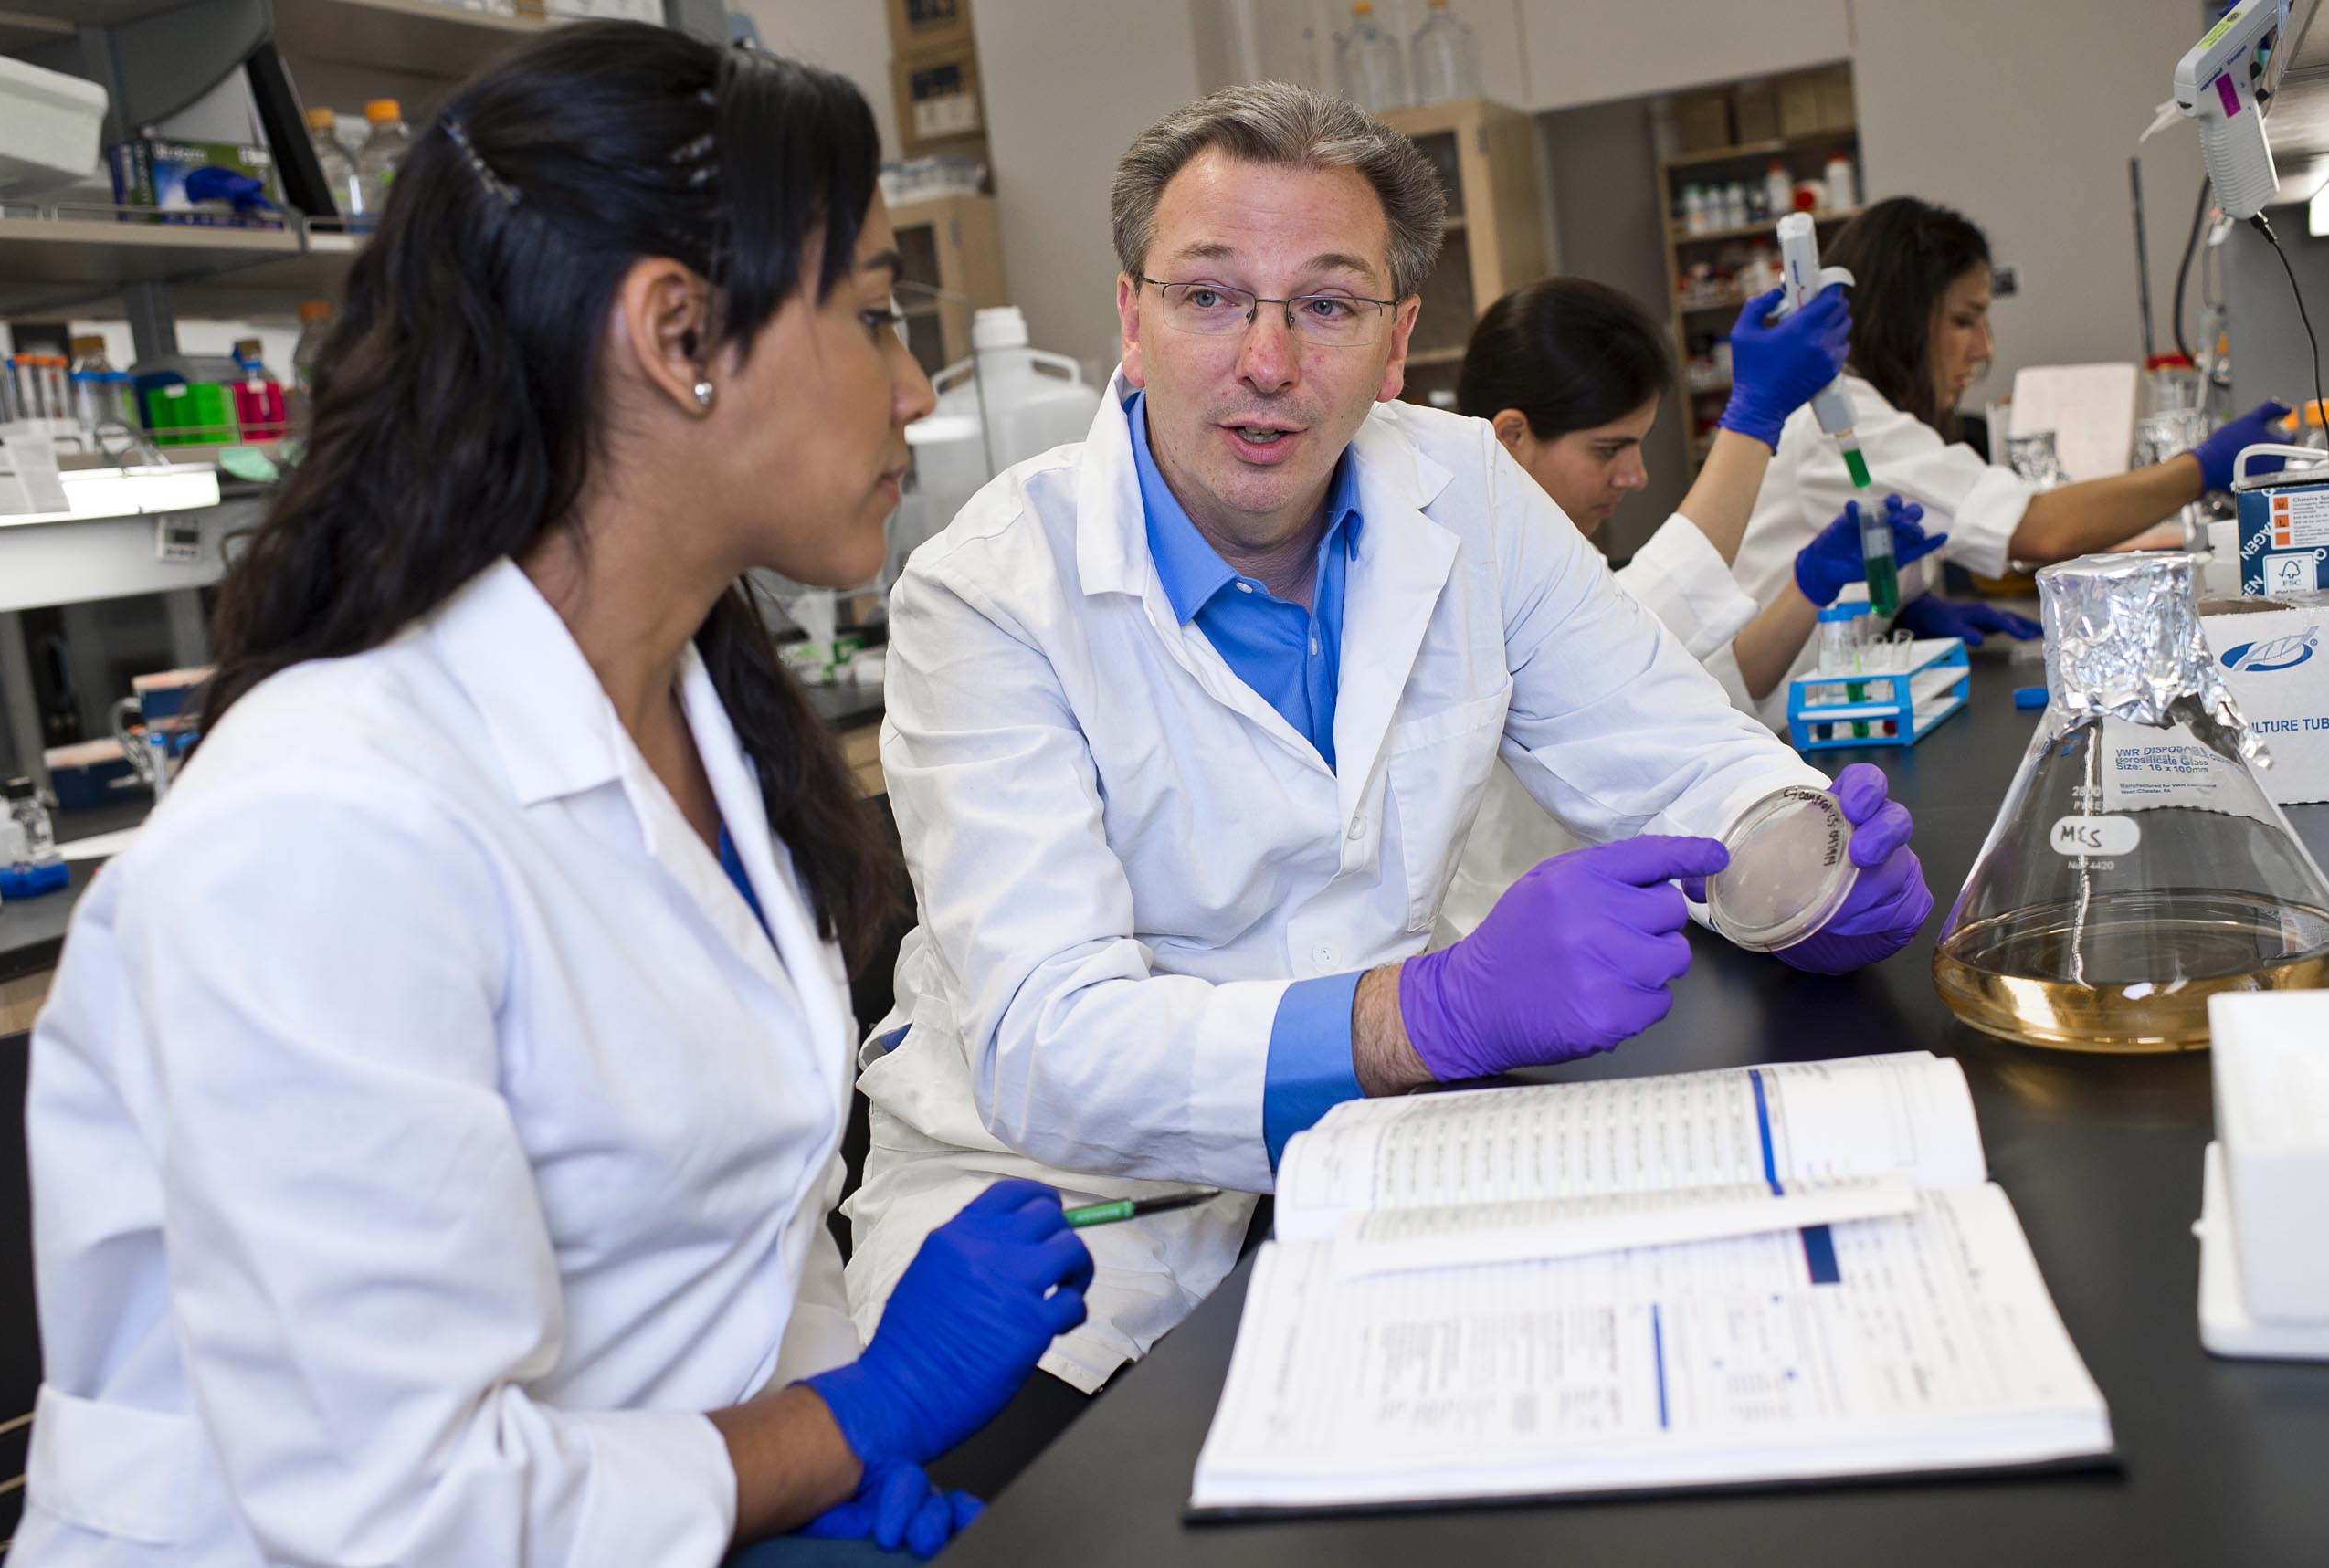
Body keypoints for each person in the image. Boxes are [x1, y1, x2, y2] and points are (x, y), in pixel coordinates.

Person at [12, 26, 1090, 1568]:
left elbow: (721, 1246)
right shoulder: (328, 826)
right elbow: (404, 1511)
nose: (914, 387)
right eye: (870, 314)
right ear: (677, 332)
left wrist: (800, 1474)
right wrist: (848, 1421)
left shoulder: (706, 721)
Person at [841, 83, 1934, 1436]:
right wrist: (1427, 1013)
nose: (1266, 360)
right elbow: (1050, 1045)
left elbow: (1671, 743)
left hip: (1379, 1166)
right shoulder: (989, 591)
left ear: (1398, 339)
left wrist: (1800, 870)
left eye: (1327, 304)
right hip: (1060, 1225)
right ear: (1131, 317)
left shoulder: (1465, 487)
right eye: (1208, 296)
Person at [1438, 277, 1945, 939]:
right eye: (1609, 448)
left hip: (1610, 920)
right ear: (1511, 437)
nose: (1636, 475)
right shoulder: (1465, 575)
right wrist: (1754, 418)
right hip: (1508, 938)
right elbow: (1647, 616)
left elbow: (1678, 688)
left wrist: (1807, 588)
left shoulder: (1565, 557)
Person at [1728, 195, 2290, 721]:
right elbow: (2042, 529)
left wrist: (1901, 612)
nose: (1985, 349)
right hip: (1765, 729)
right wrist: (2201, 467)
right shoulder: (1846, 424)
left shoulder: (1871, 419)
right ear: (1899, 321)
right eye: (1963, 320)